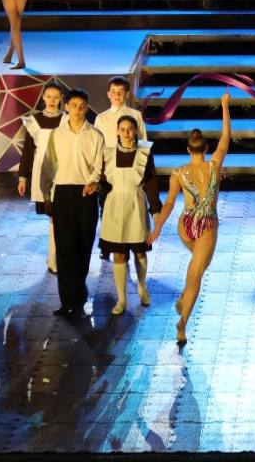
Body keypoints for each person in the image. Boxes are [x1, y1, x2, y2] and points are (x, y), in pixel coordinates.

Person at [147, 94, 233, 345]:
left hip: (185, 226)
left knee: (198, 266)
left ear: (188, 149)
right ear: (205, 149)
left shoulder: (178, 173)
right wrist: (224, 106)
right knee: (196, 274)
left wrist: (158, 227)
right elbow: (226, 137)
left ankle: (185, 298)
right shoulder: (214, 165)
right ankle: (183, 322)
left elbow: (169, 203)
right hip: (206, 225)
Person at [40, 87, 107, 319]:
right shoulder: (57, 135)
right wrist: (46, 195)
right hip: (62, 192)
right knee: (64, 248)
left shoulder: (95, 135)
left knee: (84, 245)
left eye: (82, 106)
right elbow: (48, 165)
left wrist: (93, 182)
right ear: (66, 106)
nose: (77, 110)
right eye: (74, 106)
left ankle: (78, 292)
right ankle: (68, 300)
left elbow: (99, 165)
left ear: (86, 108)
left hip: (86, 194)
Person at [100, 115, 159, 315]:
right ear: (117, 131)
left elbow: (151, 182)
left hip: (136, 205)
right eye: (122, 129)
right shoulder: (108, 154)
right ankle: (121, 299)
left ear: (135, 131)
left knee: (140, 251)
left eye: (130, 129)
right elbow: (103, 183)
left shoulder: (144, 153)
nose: (126, 133)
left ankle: (142, 289)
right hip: (115, 207)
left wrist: (155, 209)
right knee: (118, 254)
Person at [15, 82, 65, 274]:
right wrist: (22, 178)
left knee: (60, 217)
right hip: (43, 173)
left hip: (63, 172)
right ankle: (54, 259)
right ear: (43, 97)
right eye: (49, 96)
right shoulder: (34, 121)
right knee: (53, 217)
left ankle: (57, 258)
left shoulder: (67, 120)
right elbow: (28, 152)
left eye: (56, 97)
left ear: (61, 98)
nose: (52, 100)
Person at [93, 77, 147, 147]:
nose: (117, 95)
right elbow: (96, 143)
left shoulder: (137, 115)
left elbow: (143, 141)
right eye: (113, 91)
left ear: (127, 94)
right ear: (108, 94)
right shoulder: (101, 118)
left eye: (121, 91)